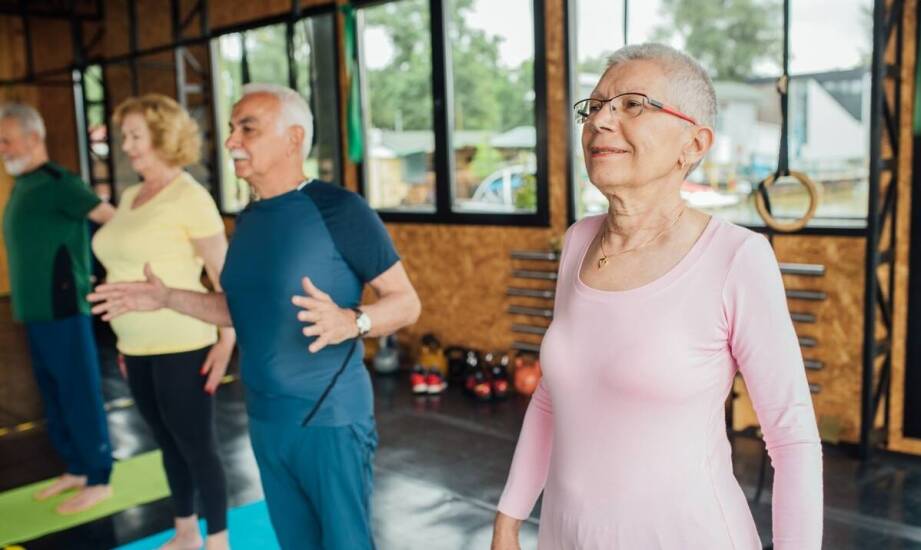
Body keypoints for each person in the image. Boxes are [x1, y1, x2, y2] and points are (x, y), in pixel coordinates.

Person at [491, 43, 823, 550]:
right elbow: (554, 395)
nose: (601, 120)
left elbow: (792, 439)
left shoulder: (737, 257)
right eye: (596, 105)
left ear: (693, 143)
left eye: (632, 104)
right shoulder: (579, 240)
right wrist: (509, 518)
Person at [88, 83, 422, 550]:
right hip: (265, 420)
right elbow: (235, 310)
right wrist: (167, 297)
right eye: (231, 129)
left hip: (328, 418)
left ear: (293, 139)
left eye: (248, 128)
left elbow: (406, 302)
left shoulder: (339, 209)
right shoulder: (250, 219)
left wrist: (354, 321)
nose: (231, 142)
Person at [91, 94, 232, 550]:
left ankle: (219, 541)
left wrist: (226, 340)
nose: (126, 145)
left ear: (163, 136)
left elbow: (226, 280)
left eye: (135, 136)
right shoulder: (132, 195)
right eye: (125, 136)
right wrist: (123, 340)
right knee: (167, 444)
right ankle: (186, 531)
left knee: (197, 446)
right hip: (136, 347)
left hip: (183, 342)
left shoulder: (191, 198)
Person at [0, 102, 116, 514]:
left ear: (33, 138)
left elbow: (112, 219)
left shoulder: (59, 182)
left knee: (79, 391)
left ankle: (99, 475)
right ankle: (77, 467)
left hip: (65, 308)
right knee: (51, 394)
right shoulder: (24, 185)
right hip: (34, 312)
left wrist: (108, 272)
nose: (2, 148)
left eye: (6, 140)